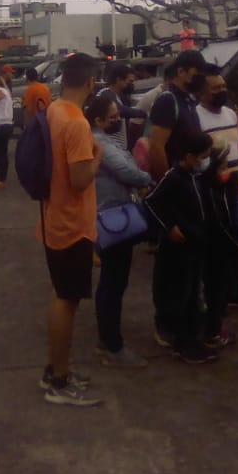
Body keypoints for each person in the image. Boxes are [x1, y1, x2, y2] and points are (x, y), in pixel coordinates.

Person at [40, 53, 103, 406]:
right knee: (67, 300)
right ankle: (60, 383)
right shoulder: (77, 123)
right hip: (73, 224)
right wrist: (98, 159)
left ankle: (55, 368)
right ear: (91, 82)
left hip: (54, 216)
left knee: (61, 295)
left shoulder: (54, 110)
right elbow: (80, 180)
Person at [87, 95, 153, 369]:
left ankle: (108, 339)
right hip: (114, 220)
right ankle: (111, 344)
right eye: (113, 117)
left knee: (113, 281)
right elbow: (127, 171)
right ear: (98, 120)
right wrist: (149, 178)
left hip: (110, 217)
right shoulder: (100, 142)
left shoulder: (101, 139)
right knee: (113, 282)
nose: (118, 120)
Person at [144, 131, 218, 364]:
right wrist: (169, 227)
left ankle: (194, 338)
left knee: (194, 292)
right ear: (189, 156)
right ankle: (183, 343)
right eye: (203, 156)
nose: (205, 160)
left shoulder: (195, 177)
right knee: (180, 294)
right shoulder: (174, 177)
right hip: (178, 248)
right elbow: (152, 202)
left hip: (196, 244)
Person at [195, 65, 238, 313]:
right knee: (220, 239)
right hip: (211, 185)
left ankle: (235, 290)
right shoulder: (197, 117)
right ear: (203, 92)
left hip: (233, 182)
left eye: (223, 86)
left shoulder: (231, 115)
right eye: (215, 88)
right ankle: (217, 294)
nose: (221, 91)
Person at [147, 49, 207, 180]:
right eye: (197, 72)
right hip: (176, 183)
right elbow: (156, 148)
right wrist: (168, 182)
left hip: (191, 180)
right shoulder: (168, 100)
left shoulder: (188, 101)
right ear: (181, 72)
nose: (201, 77)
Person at [96, 62, 146, 149]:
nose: (131, 85)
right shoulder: (105, 93)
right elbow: (120, 110)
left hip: (118, 146)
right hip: (108, 146)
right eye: (130, 81)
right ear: (119, 79)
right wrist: (143, 113)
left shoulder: (120, 97)